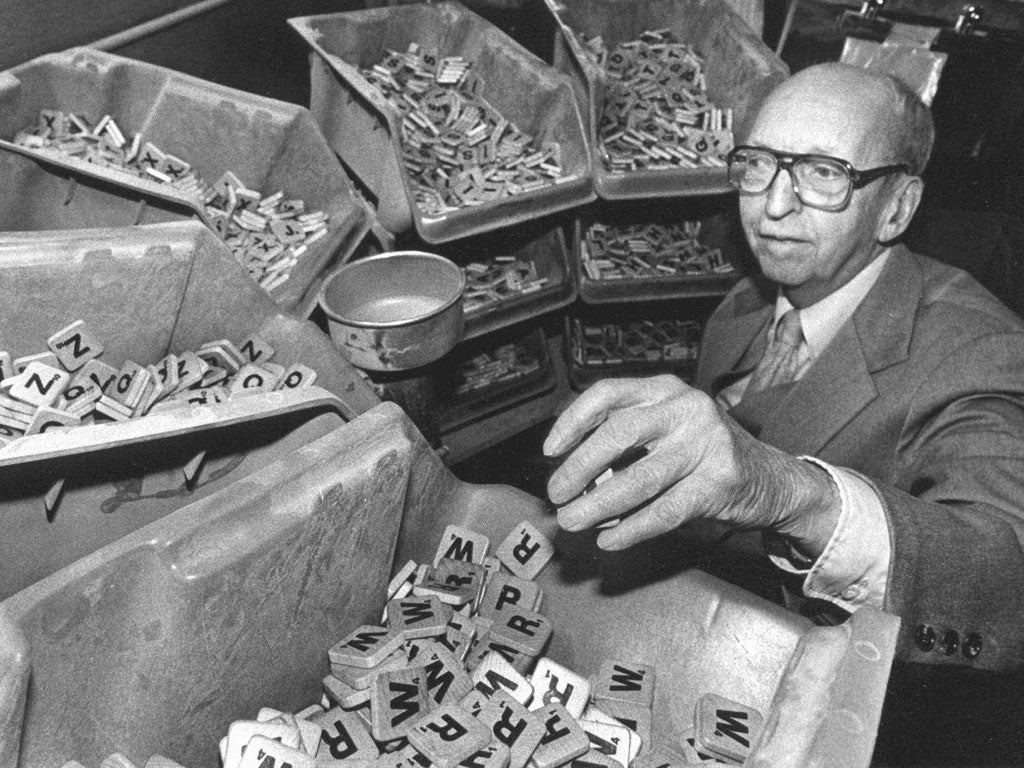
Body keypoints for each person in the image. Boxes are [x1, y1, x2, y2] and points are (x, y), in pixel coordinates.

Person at [544, 62, 1024, 670]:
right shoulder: (746, 301)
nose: (771, 207)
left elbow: (1007, 581)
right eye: (757, 164)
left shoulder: (984, 349)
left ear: (897, 209)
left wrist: (790, 494)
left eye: (825, 174)